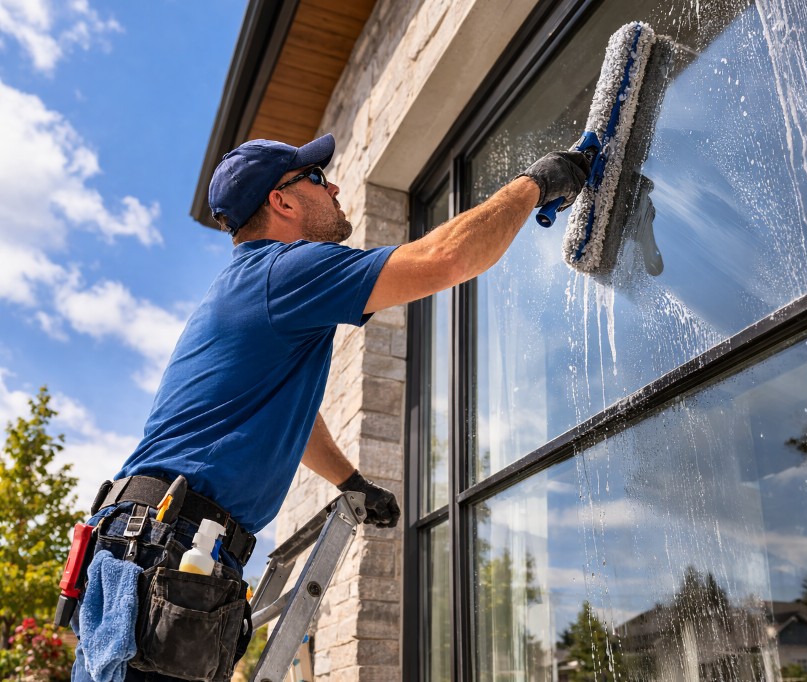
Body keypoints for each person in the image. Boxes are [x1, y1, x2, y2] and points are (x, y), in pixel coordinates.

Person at [67, 133, 590, 682]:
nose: (334, 185)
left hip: (156, 541)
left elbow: (290, 414)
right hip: (167, 546)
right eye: (317, 178)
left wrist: (350, 481)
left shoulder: (255, 286)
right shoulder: (285, 270)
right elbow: (447, 258)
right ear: (283, 201)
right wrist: (536, 184)